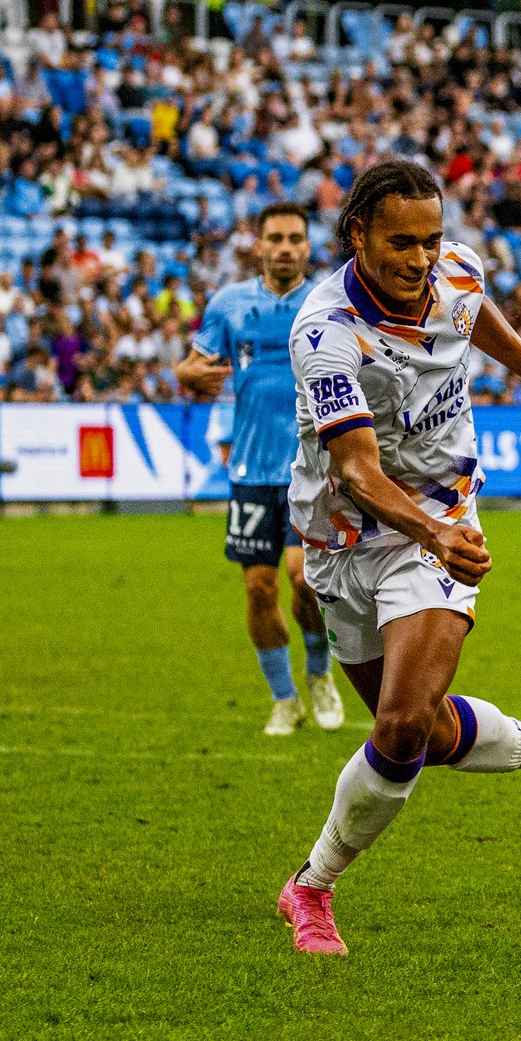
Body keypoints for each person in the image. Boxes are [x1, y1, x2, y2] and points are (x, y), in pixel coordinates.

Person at [273, 159, 521, 956]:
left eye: (431, 240)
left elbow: (477, 316)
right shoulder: (325, 330)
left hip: (438, 516)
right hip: (343, 533)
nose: (421, 259)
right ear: (357, 233)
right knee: (420, 730)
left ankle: (312, 885)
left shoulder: (455, 268)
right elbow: (358, 470)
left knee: (397, 727)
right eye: (402, 242)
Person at [177, 202, 341, 736]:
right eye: (276, 238)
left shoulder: (327, 302)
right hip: (249, 470)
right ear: (259, 245)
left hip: (311, 468)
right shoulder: (228, 304)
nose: (287, 247)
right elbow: (193, 366)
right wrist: (186, 373)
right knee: (258, 589)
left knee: (304, 581)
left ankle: (320, 674)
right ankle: (284, 697)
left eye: (296, 238)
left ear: (307, 246)